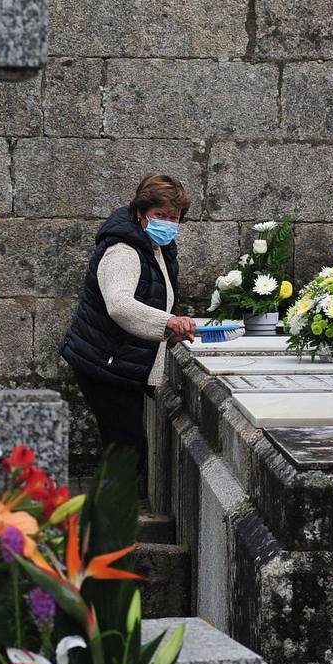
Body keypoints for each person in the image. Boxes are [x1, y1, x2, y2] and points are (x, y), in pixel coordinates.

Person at [61, 174, 197, 474]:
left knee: (125, 450)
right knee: (127, 452)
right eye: (159, 215)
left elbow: (153, 300)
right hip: (105, 365)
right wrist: (168, 323)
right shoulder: (124, 251)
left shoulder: (156, 247)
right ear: (140, 213)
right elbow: (120, 306)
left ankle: (114, 513)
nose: (167, 222)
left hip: (119, 363)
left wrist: (167, 331)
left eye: (174, 217)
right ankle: (115, 517)